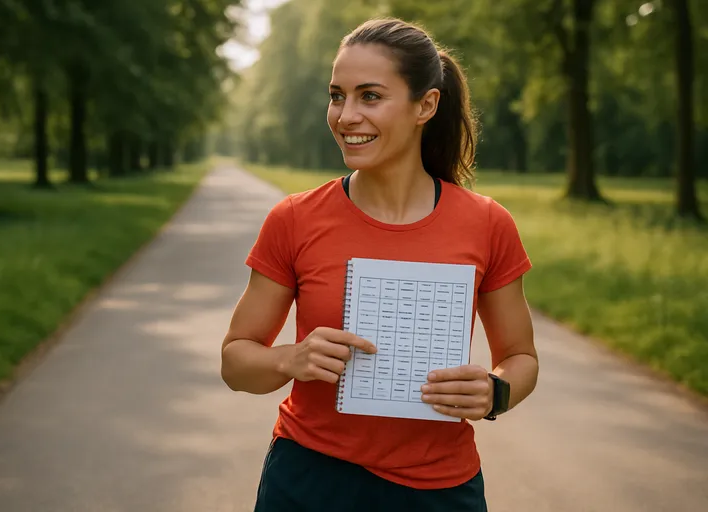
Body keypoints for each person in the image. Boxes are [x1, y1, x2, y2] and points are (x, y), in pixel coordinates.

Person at [220, 17, 538, 512]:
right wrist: (290, 359)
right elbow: (236, 362)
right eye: (336, 95)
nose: (346, 115)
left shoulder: (487, 224)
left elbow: (522, 357)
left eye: (370, 96)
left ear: (425, 106)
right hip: (309, 480)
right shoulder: (294, 219)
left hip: (439, 491)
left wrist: (496, 392)